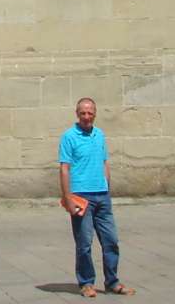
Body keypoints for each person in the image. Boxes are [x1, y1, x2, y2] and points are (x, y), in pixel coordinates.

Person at [58, 97, 135, 298]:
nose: (86, 116)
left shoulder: (99, 135)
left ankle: (112, 282)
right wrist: (68, 198)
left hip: (102, 196)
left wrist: (107, 187)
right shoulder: (69, 136)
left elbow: (104, 163)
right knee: (84, 244)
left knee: (111, 241)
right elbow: (64, 169)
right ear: (77, 114)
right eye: (83, 113)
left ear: (95, 114)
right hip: (81, 197)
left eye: (90, 113)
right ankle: (86, 283)